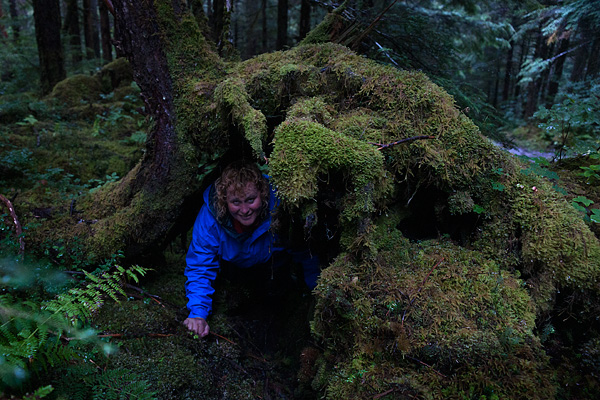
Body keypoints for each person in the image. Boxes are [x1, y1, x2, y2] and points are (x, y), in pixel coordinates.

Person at [183, 161, 320, 337]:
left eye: (250, 200)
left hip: (275, 268)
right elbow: (200, 265)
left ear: (262, 194)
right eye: (236, 202)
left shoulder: (279, 205)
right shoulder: (210, 219)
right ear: (224, 200)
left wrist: (317, 290)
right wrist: (198, 314)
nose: (245, 210)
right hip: (233, 271)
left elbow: (304, 250)